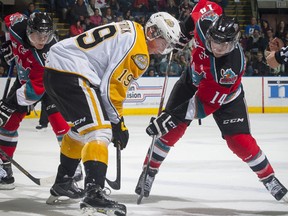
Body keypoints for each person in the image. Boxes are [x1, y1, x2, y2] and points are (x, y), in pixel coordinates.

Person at [135, 0, 288, 203]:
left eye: (224, 45)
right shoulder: (204, 24)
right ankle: (149, 171)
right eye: (214, 41)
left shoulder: (230, 68)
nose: (217, 48)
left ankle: (268, 178)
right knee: (169, 132)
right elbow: (207, 5)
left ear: (233, 43)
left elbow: (202, 105)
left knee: (240, 142)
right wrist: (183, 33)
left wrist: (170, 117)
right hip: (192, 79)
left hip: (224, 98)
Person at [43, 11, 182, 214]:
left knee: (82, 131)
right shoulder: (140, 52)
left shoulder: (132, 28)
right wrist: (118, 124)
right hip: (72, 72)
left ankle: (63, 182)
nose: (165, 49)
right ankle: (94, 194)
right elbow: (111, 88)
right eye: (164, 42)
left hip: (57, 70)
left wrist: (116, 120)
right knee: (100, 132)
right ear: (152, 32)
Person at [0, 12, 71, 190]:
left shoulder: (48, 53)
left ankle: (72, 170)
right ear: (28, 30)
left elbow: (33, 92)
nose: (42, 40)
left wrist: (7, 105)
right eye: (38, 35)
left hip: (50, 83)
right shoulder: (17, 26)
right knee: (7, 125)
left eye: (46, 36)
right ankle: (4, 169)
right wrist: (7, 42)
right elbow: (9, 19)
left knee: (61, 126)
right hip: (26, 79)